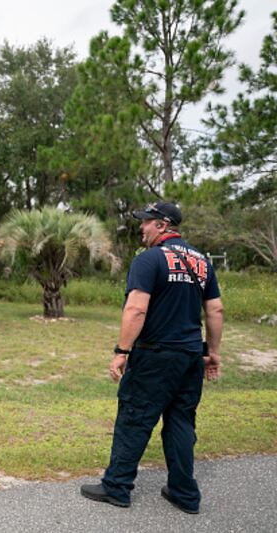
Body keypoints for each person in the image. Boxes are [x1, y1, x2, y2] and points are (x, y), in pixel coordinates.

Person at [80, 201, 224, 514]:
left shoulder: (149, 260)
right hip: (189, 356)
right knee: (181, 421)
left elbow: (136, 308)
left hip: (155, 355)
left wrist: (121, 352)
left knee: (134, 417)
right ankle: (185, 494)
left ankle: (117, 487)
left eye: (146, 222)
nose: (141, 227)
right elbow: (215, 309)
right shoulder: (202, 262)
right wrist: (212, 353)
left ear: (162, 225)